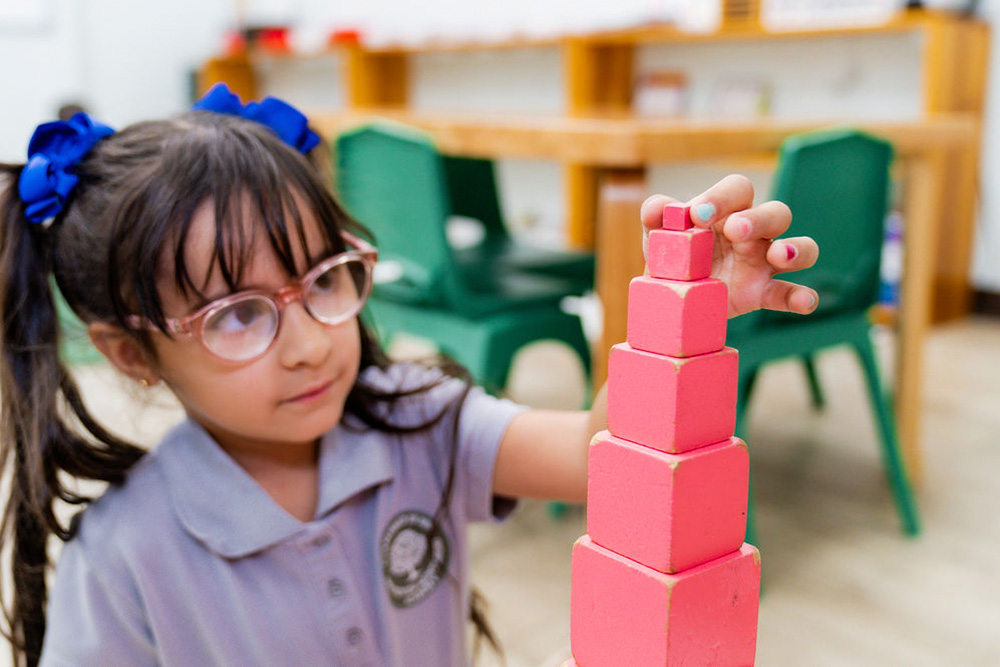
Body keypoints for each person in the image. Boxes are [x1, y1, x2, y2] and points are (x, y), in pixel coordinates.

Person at [0, 84, 818, 666]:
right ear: (132, 353)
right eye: (239, 314)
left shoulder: (421, 418)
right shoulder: (122, 560)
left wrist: (683, 315)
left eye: (323, 280)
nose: (311, 344)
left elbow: (600, 455)